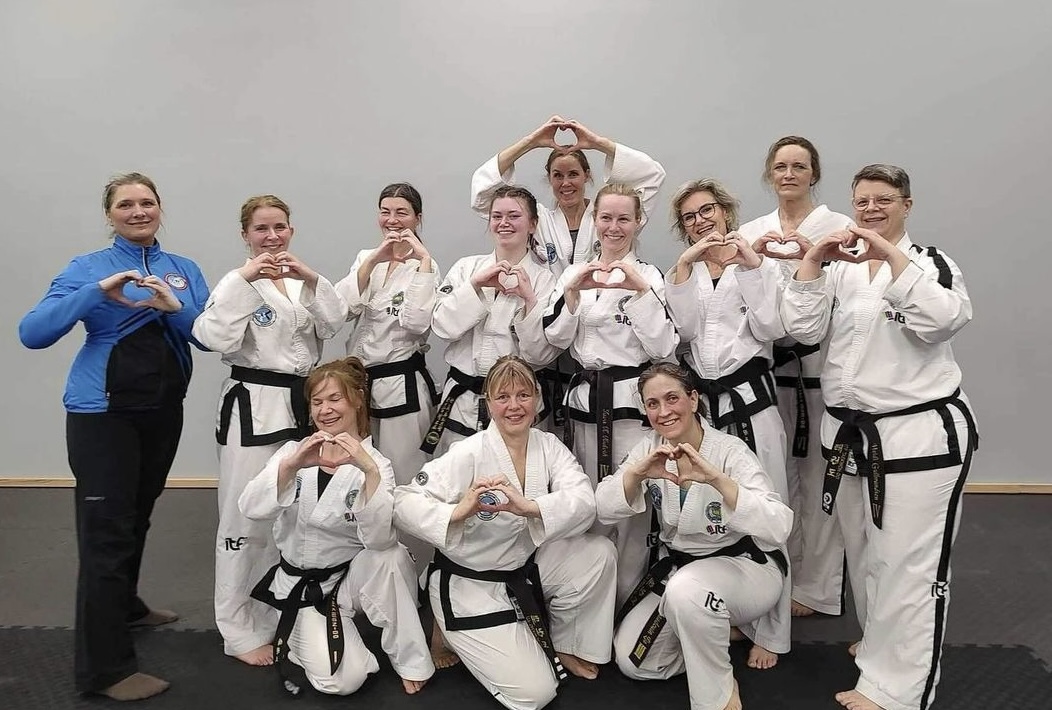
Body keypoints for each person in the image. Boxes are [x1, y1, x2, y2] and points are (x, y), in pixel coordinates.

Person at [780, 165, 978, 710]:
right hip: (850, 436)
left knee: (908, 564)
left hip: (916, 436)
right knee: (867, 554)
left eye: (883, 200)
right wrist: (813, 262)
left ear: (906, 205)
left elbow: (944, 320)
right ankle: (880, 648)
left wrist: (891, 258)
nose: (871, 209)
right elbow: (801, 329)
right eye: (862, 201)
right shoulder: (842, 271)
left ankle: (899, 690)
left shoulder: (929, 263)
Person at [19, 172, 209, 700]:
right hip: (103, 416)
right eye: (125, 204)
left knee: (136, 515)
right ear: (110, 214)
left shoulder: (182, 269)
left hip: (162, 411)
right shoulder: (87, 268)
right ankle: (105, 671)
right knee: (106, 533)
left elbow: (208, 335)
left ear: (159, 208)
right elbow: (33, 333)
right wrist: (96, 292)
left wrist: (173, 309)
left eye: (146, 202)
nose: (138, 211)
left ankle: (125, 606)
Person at [394, 356, 617, 710]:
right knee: (536, 694)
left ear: (537, 398)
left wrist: (529, 507)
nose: (514, 406)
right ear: (488, 403)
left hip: (520, 567)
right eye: (503, 397)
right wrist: (457, 512)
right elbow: (403, 501)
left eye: (523, 395)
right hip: (472, 584)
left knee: (598, 553)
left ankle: (568, 644)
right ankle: (446, 628)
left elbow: (584, 501)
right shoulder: (468, 452)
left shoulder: (548, 446)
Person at [192, 195, 348, 666]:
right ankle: (238, 628)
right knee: (243, 516)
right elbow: (211, 337)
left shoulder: (300, 282)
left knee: (292, 513)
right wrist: (243, 281)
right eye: (261, 229)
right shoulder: (235, 283)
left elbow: (335, 322)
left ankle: (280, 611)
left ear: (291, 230)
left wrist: (313, 279)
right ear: (246, 235)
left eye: (279, 227)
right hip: (254, 406)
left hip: (301, 403)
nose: (272, 237)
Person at [597, 363, 792, 710]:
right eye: (653, 403)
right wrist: (636, 475)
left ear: (693, 399)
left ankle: (718, 693)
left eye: (672, 398)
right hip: (683, 572)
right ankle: (712, 631)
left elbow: (778, 525)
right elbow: (603, 506)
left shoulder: (730, 451)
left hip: (746, 569)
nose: (663, 411)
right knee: (635, 662)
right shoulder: (649, 448)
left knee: (687, 591)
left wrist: (717, 480)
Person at [239, 358, 434, 696]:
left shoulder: (377, 464)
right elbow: (251, 508)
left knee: (391, 556)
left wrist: (368, 472)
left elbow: (378, 541)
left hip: (347, 581)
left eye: (334, 399)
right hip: (304, 586)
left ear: (357, 400)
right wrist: (290, 467)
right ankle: (319, 642)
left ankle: (411, 659)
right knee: (342, 681)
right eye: (317, 402)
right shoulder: (293, 452)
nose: (325, 410)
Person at [664, 178, 791, 668]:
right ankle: (732, 610)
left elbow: (772, 327)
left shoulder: (758, 263)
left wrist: (752, 266)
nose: (701, 220)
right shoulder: (687, 271)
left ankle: (774, 632)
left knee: (766, 505)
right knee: (711, 507)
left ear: (725, 211)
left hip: (751, 401)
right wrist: (683, 268)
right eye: (690, 217)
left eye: (707, 210)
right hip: (706, 407)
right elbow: (685, 333)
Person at [471, 116, 666, 435]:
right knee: (552, 437)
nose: (566, 182)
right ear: (548, 178)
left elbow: (652, 176)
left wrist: (597, 143)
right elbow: (484, 195)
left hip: (603, 335)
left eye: (573, 173)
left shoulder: (607, 214)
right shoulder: (537, 220)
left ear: (588, 176)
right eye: (557, 175)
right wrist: (531, 142)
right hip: (548, 335)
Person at [543, 182, 678, 606]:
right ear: (594, 220)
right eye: (606, 217)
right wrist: (572, 293)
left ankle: (628, 601)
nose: (614, 227)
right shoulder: (574, 274)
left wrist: (639, 292)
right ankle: (591, 600)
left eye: (623, 218)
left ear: (638, 222)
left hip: (632, 407)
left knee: (632, 503)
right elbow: (554, 339)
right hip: (585, 403)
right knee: (588, 501)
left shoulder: (650, 275)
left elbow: (664, 347)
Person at [738, 136, 855, 619]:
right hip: (766, 373)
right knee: (774, 479)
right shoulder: (751, 231)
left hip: (820, 368)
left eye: (799, 166)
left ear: (814, 174)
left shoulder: (839, 229)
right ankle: (774, 579)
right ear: (770, 174)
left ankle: (818, 587)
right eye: (781, 166)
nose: (789, 174)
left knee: (819, 477)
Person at [425, 186, 560, 457]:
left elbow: (541, 355)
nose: (504, 223)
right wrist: (475, 286)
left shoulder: (545, 280)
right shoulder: (466, 269)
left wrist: (529, 300)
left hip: (517, 404)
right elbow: (442, 327)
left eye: (514, 216)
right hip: (463, 401)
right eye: (497, 216)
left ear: (533, 224)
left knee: (519, 476)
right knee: (460, 477)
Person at [335, 183, 440, 488]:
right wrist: (373, 261)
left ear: (418, 218)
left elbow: (417, 323)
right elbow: (341, 310)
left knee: (402, 471)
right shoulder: (366, 258)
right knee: (358, 471)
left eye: (401, 213)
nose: (392, 220)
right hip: (359, 382)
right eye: (385, 212)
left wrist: (423, 261)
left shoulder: (427, 266)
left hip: (400, 383)